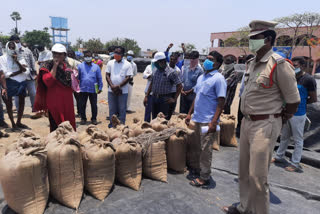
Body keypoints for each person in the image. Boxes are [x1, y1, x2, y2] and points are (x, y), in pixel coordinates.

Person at [223, 20, 300, 214]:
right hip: (247, 122)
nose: (251, 42)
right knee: (243, 172)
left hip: (265, 124)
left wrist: (283, 117)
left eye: (255, 38)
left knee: (258, 177)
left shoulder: (279, 64)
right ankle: (244, 207)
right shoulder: (251, 63)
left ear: (268, 39)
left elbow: (293, 99)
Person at [185, 51, 227, 187]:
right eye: (207, 59)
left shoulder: (219, 79)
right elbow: (196, 97)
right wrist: (189, 113)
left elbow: (221, 102)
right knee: (197, 147)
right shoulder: (202, 77)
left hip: (208, 120)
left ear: (218, 63)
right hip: (197, 118)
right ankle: (198, 170)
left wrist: (214, 121)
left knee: (205, 150)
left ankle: (204, 177)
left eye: (211, 59)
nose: (207, 61)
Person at [273, 56, 317, 172]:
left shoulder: (308, 80)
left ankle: (295, 163)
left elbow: (313, 99)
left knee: (298, 140)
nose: (293, 68)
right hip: (287, 112)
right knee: (284, 136)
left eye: (295, 66)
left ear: (302, 66)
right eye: (292, 66)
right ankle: (279, 156)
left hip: (298, 114)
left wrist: (299, 103)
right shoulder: (290, 77)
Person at [34, 43, 76, 132]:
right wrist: (55, 66)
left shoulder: (67, 66)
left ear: (64, 55)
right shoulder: (47, 65)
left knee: (69, 122)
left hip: (67, 101)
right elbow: (48, 81)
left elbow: (72, 83)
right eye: (55, 53)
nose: (57, 56)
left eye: (60, 54)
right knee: (56, 124)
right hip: (54, 100)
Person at [144, 52, 182, 120]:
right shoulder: (155, 70)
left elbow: (179, 86)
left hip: (165, 100)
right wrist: (147, 96)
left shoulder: (171, 72)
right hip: (154, 98)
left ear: (163, 61)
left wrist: (174, 99)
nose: (155, 64)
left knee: (163, 121)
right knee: (154, 119)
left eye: (157, 62)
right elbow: (152, 83)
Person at [0, 41, 29, 130]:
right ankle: (13, 124)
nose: (12, 49)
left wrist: (17, 62)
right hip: (10, 82)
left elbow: (26, 70)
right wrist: (19, 72)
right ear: (7, 47)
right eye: (10, 47)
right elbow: (4, 74)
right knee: (9, 104)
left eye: (13, 47)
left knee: (21, 102)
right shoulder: (2, 58)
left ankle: (19, 122)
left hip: (22, 82)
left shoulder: (20, 57)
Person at [9, 35, 37, 117]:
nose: (16, 43)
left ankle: (34, 108)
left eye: (17, 41)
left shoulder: (27, 51)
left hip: (28, 75)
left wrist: (34, 72)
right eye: (14, 41)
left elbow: (32, 61)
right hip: (17, 77)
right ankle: (18, 110)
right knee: (17, 94)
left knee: (33, 92)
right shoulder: (9, 52)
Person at [105, 46, 133, 127]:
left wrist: (119, 86)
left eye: (118, 53)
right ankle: (112, 125)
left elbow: (128, 77)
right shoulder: (110, 63)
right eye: (115, 52)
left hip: (123, 91)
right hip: (111, 90)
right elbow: (107, 75)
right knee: (112, 109)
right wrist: (112, 86)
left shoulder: (127, 64)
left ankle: (121, 126)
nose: (116, 54)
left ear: (122, 54)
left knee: (122, 109)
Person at [77, 50, 103, 125]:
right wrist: (77, 88)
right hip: (83, 88)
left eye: (89, 56)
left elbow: (99, 78)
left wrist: (100, 88)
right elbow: (78, 78)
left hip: (93, 89)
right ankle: (83, 118)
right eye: (86, 56)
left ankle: (94, 119)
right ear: (84, 57)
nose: (88, 57)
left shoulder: (96, 67)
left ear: (92, 57)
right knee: (82, 104)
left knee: (94, 105)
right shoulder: (80, 66)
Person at [236, 54, 254, 138]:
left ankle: (245, 132)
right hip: (242, 97)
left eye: (250, 62)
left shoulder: (254, 73)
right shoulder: (245, 72)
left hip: (250, 99)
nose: (248, 64)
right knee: (239, 114)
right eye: (247, 62)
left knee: (247, 116)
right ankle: (239, 130)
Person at [66, 49, 81, 117]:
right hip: (68, 82)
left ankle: (79, 112)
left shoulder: (77, 62)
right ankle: (70, 112)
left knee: (78, 98)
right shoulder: (64, 62)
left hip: (75, 82)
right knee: (69, 98)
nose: (69, 56)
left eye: (71, 54)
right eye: (68, 54)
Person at [143, 52, 157, 122]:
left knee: (156, 112)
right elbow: (144, 75)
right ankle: (146, 125)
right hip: (149, 93)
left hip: (157, 93)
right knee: (148, 111)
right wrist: (151, 75)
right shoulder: (149, 67)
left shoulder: (162, 67)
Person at [167, 52, 182, 119]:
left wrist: (175, 98)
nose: (172, 61)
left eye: (174, 59)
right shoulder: (165, 68)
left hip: (173, 92)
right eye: (171, 59)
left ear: (176, 61)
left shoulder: (178, 70)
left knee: (169, 112)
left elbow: (179, 84)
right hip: (165, 92)